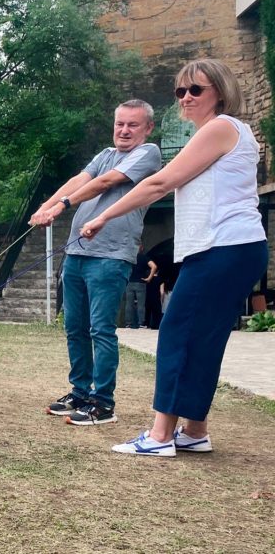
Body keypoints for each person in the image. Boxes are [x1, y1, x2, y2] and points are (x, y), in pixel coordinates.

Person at [81, 59, 267, 456]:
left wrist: (103, 216)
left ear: (219, 91)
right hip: (233, 248)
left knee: (177, 333)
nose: (185, 97)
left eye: (195, 90)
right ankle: (195, 430)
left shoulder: (220, 127)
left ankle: (161, 435)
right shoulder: (229, 133)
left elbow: (161, 182)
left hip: (225, 247)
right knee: (203, 339)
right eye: (179, 91)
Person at [30, 99, 161, 426]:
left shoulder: (149, 153)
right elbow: (81, 178)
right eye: (120, 124)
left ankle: (102, 403)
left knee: (100, 329)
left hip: (110, 255)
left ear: (148, 128)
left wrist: (62, 205)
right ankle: (79, 392)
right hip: (76, 254)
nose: (125, 130)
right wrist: (45, 206)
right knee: (74, 327)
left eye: (133, 125)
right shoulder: (105, 154)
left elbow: (105, 182)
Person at [123, 245, 157, 329]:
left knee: (129, 304)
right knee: (141, 304)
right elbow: (154, 266)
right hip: (140, 283)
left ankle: (128, 323)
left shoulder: (129, 257)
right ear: (141, 248)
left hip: (129, 282)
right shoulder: (144, 258)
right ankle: (141, 323)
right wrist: (149, 278)